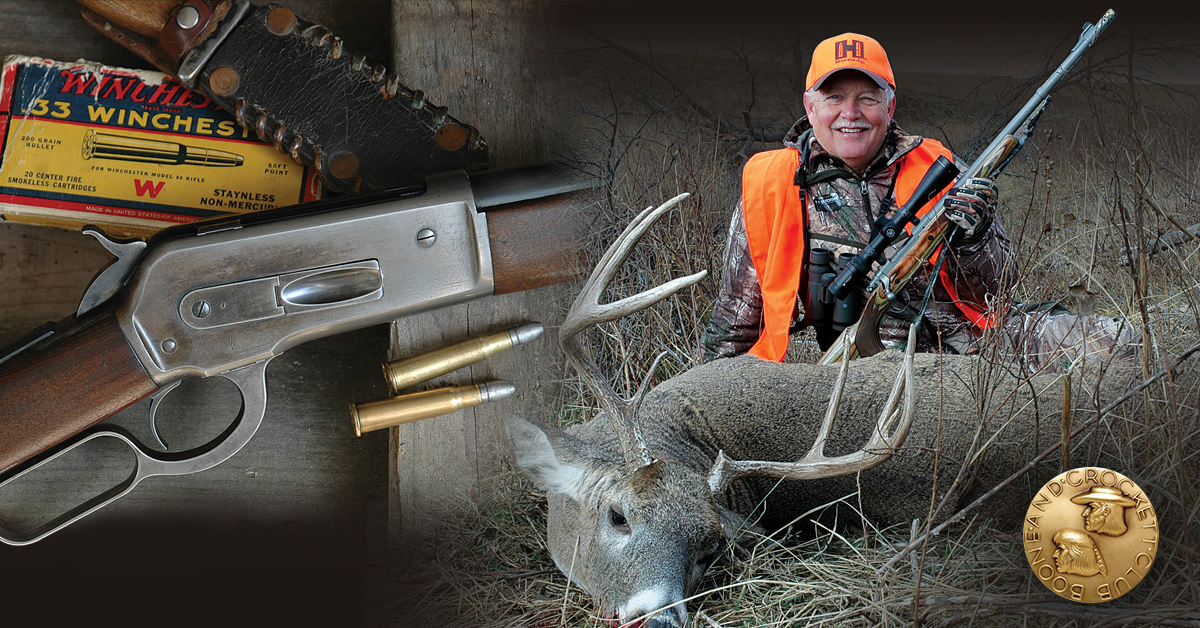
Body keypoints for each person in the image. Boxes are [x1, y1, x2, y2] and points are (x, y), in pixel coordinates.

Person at [700, 33, 1138, 371]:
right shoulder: (771, 183)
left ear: (890, 106)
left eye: (867, 98)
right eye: (834, 97)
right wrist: (709, 391)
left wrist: (974, 237)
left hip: (965, 348)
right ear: (809, 107)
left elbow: (997, 293)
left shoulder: (941, 169)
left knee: (1123, 344)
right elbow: (736, 318)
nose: (850, 113)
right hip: (842, 369)